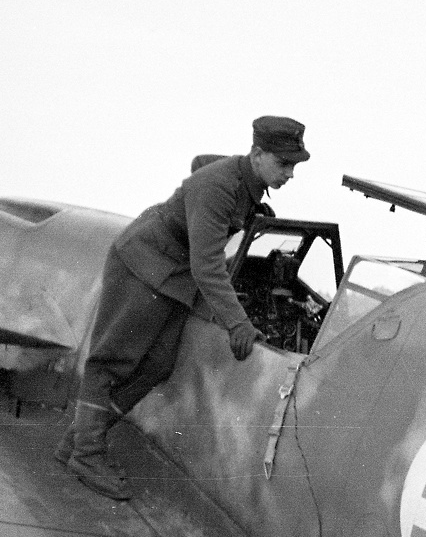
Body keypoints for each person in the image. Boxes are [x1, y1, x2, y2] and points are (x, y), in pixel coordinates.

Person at [58, 116, 310, 501]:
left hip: (173, 272)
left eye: (294, 165)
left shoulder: (244, 177)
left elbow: (199, 161)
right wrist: (237, 323)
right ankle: (87, 454)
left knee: (158, 364)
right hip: (145, 262)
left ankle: (77, 440)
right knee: (111, 361)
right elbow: (206, 265)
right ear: (257, 154)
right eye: (283, 163)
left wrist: (248, 213)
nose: (290, 174)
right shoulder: (219, 186)